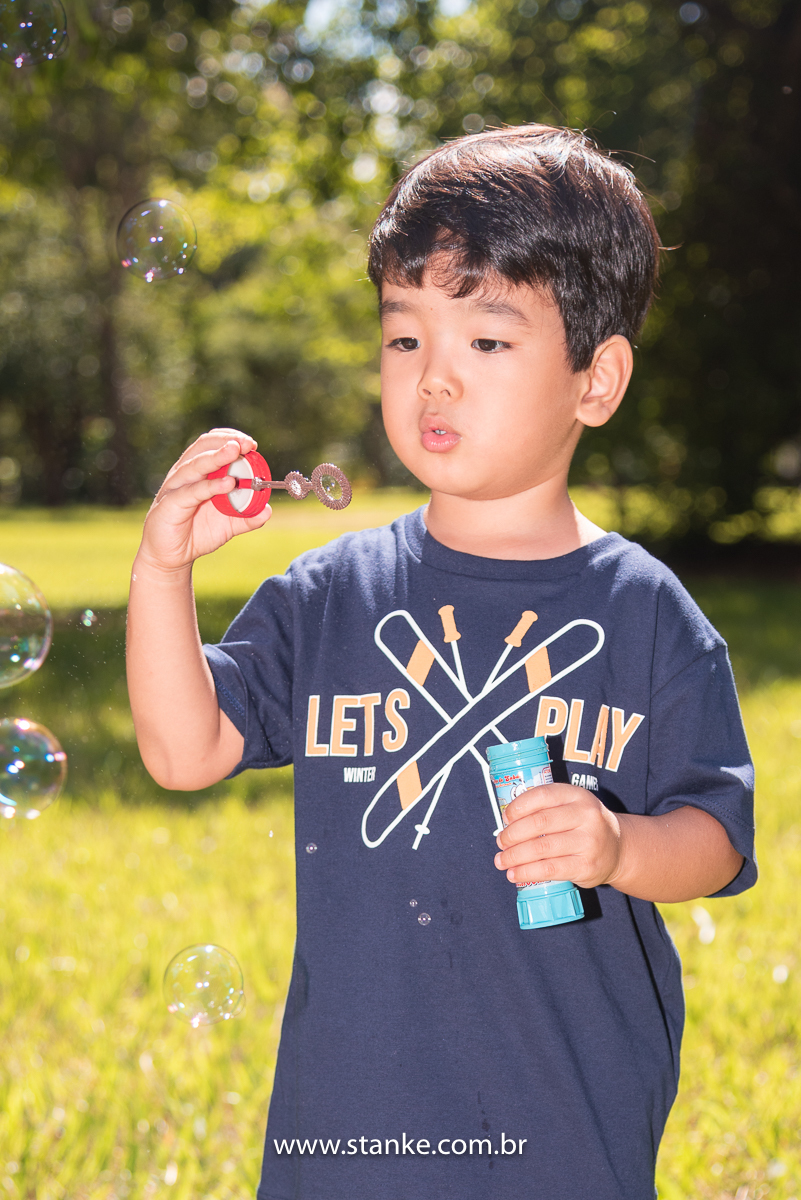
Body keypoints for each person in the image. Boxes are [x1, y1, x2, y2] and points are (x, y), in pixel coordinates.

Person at [126, 124, 756, 1200]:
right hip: (349, 1132)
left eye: (489, 343)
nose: (436, 381)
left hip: (561, 1130)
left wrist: (617, 845)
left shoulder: (645, 612)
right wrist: (161, 569)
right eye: (406, 338)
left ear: (596, 380)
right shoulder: (330, 598)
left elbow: (715, 837)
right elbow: (187, 753)